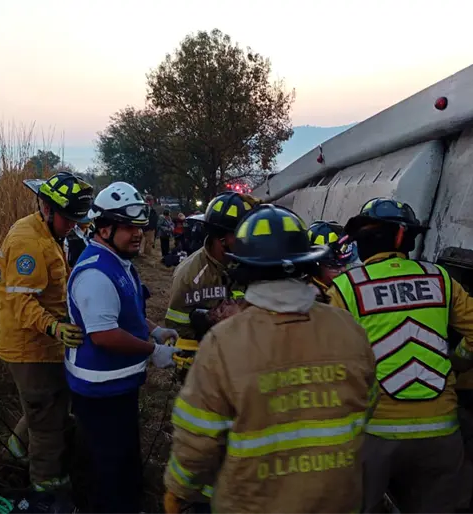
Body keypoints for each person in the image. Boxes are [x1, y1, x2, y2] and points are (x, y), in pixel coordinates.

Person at [163, 204, 379, 514]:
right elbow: (367, 404)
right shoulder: (350, 330)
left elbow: (198, 437)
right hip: (335, 499)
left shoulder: (224, 342)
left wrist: (179, 489)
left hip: (253, 503)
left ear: (245, 267)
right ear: (308, 264)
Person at [327, 198, 473, 514]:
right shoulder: (440, 279)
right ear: (405, 239)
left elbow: (327, 362)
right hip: (442, 434)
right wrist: (456, 363)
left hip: (375, 435)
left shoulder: (345, 287)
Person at [65, 181, 181, 514]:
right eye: (128, 227)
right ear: (103, 228)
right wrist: (151, 351)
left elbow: (126, 310)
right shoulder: (95, 274)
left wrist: (154, 329)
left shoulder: (117, 261)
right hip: (100, 390)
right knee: (110, 467)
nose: (137, 235)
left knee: (126, 455)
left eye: (139, 228)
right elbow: (104, 334)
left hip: (118, 385)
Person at [0, 172, 93, 507]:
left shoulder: (49, 232)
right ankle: (48, 490)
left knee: (46, 406)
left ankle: (17, 451)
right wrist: (54, 327)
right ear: (47, 208)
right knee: (48, 423)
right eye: (68, 219)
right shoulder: (29, 243)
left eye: (77, 220)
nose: (72, 226)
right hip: (29, 347)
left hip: (44, 343)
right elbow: (21, 301)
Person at [163, 191, 258, 372]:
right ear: (220, 237)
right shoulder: (189, 274)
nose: (247, 240)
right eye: (241, 234)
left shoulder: (251, 264)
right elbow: (178, 326)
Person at [306, 220, 354, 302]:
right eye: (335, 266)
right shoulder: (306, 298)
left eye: (346, 264)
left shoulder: (349, 287)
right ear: (315, 267)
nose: (343, 270)